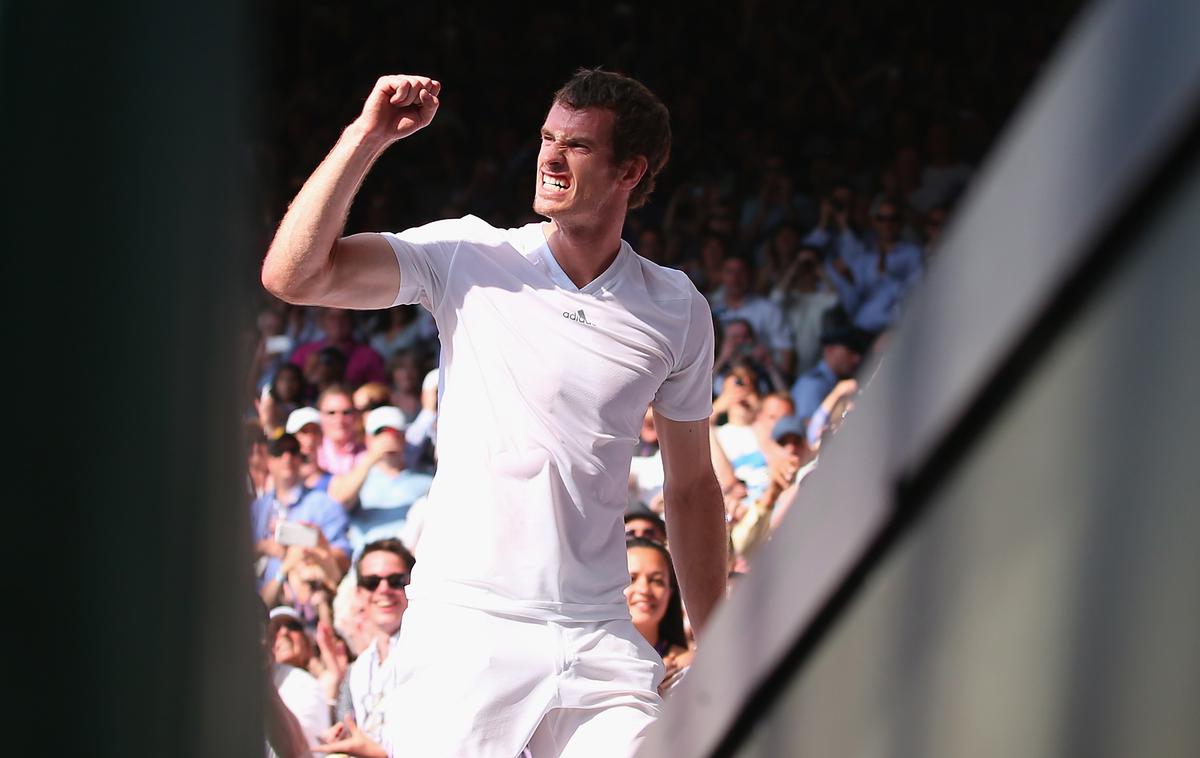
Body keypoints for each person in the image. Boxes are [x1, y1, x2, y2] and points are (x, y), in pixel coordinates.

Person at [262, 69, 726, 757]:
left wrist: (721, 649)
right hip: (468, 626)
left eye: (576, 145)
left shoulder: (676, 306)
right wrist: (368, 138)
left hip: (597, 631)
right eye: (546, 138)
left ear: (630, 170)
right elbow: (293, 276)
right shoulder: (468, 254)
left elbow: (690, 487)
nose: (550, 156)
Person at [251, 433, 353, 589]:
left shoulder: (324, 503)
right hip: (261, 602)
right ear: (269, 461)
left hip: (310, 601)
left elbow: (343, 558)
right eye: (279, 452)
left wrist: (306, 548)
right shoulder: (256, 508)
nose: (287, 457)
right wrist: (263, 547)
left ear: (300, 459)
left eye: (293, 451)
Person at [328, 406, 433, 555]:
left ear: (403, 437)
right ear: (368, 439)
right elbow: (338, 500)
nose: (388, 439)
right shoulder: (356, 478)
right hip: (365, 567)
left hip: (409, 565)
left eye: (394, 432)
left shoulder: (426, 480)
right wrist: (372, 456)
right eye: (379, 433)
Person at [624, 537, 692, 697]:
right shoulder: (585, 656)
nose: (644, 589)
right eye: (631, 579)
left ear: (671, 592)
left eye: (657, 581)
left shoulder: (686, 665)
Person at [789, 324, 870, 422]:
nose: (856, 359)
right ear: (830, 350)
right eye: (850, 352)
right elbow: (807, 429)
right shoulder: (812, 385)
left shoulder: (837, 380)